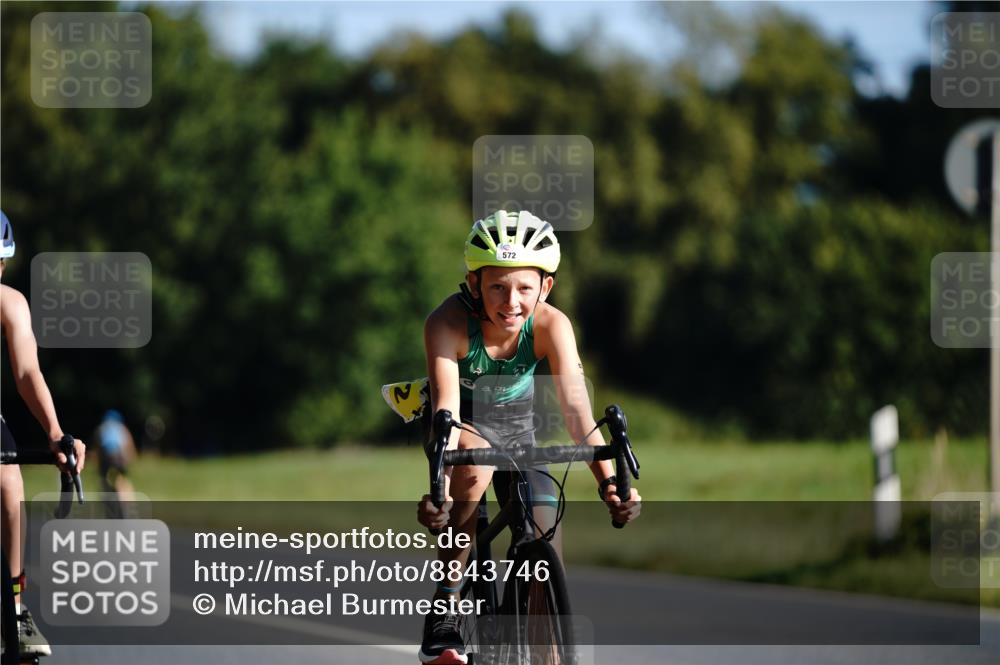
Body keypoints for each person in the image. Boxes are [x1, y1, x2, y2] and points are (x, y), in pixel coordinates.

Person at [415, 210, 641, 665]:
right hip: (461, 423)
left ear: (546, 287)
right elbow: (447, 412)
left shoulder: (552, 325)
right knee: (473, 468)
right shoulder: (448, 324)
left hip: (521, 426)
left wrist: (609, 484)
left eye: (524, 287)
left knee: (543, 521)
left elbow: (578, 414)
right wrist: (439, 489)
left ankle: (545, 649)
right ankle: (448, 604)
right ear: (475, 283)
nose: (511, 301)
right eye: (497, 286)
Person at [0, 210, 86, 658]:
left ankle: (13, 607)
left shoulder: (10, 303)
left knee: (7, 481)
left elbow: (27, 369)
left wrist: (55, 432)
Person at [93, 409, 137, 508]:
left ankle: (108, 503)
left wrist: (99, 466)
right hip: (120, 457)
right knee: (122, 480)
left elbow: (98, 449)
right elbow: (129, 445)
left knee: (104, 480)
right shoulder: (122, 428)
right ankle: (128, 503)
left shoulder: (101, 428)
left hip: (107, 458)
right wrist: (129, 460)